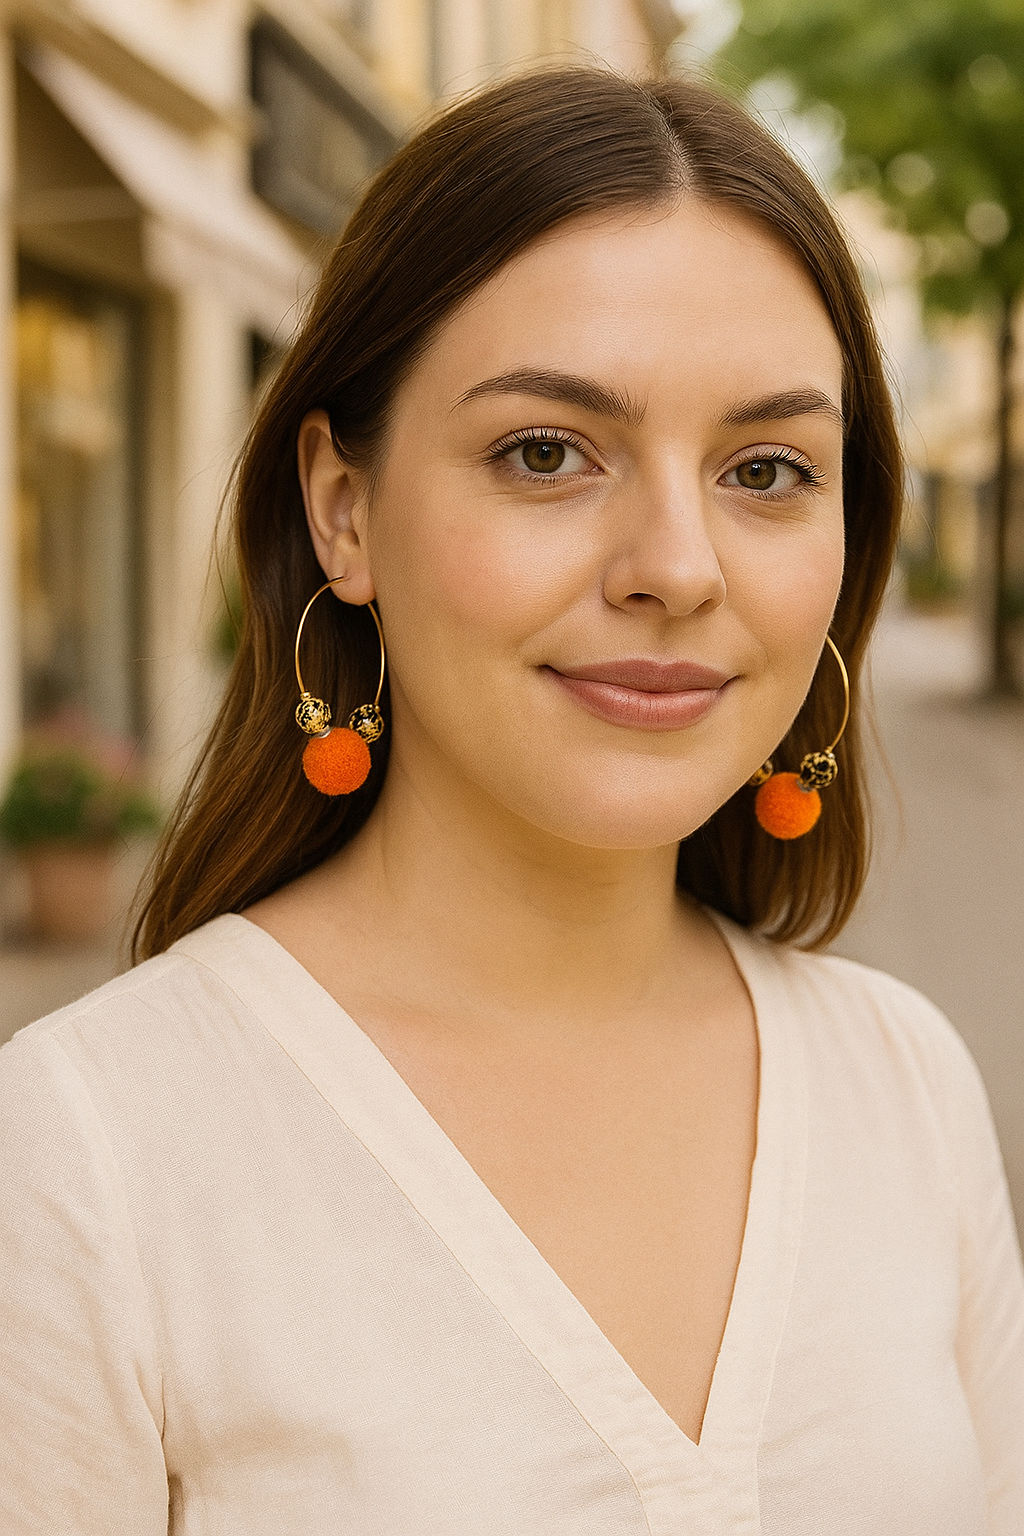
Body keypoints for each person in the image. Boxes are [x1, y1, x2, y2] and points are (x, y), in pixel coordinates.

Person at [1, 67, 1021, 1535]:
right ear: (343, 510)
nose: (678, 563)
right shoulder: (94, 1148)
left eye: (767, 468)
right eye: (546, 452)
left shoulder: (907, 1084)